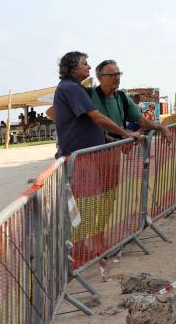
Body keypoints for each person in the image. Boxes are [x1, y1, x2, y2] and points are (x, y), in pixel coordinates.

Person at [49, 51, 142, 260]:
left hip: (92, 155)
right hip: (82, 159)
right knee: (86, 205)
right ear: (73, 68)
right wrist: (125, 133)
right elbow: (95, 118)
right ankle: (81, 251)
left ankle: (91, 244)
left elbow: (88, 125)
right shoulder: (72, 88)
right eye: (85, 64)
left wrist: (112, 140)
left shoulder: (76, 89)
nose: (88, 67)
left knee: (97, 201)